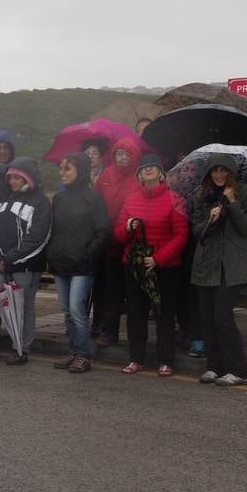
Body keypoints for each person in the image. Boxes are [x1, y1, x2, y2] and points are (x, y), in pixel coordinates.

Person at [0, 160, 51, 365]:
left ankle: (21, 349)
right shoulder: (0, 198)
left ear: (28, 178)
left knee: (23, 307)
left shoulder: (41, 202)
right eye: (10, 177)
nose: (12, 181)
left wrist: (12, 257)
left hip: (26, 265)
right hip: (0, 264)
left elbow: (39, 236)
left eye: (17, 177)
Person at [116, 153, 188, 377]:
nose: (147, 170)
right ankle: (136, 358)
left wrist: (158, 259)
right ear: (138, 175)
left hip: (165, 268)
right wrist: (127, 227)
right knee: (136, 314)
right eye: (143, 168)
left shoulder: (176, 199)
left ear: (161, 173)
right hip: (135, 267)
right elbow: (118, 235)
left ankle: (165, 360)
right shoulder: (130, 200)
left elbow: (181, 235)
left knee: (164, 314)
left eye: (152, 167)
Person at [189, 156, 247, 387]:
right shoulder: (203, 195)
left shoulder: (245, 192)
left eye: (223, 171)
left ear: (231, 173)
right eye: (215, 171)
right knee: (207, 317)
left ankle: (239, 369)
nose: (219, 175)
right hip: (207, 264)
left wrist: (233, 202)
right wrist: (211, 219)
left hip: (232, 265)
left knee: (222, 316)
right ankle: (214, 366)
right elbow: (197, 231)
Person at [47, 153, 109, 373]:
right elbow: (53, 229)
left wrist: (88, 254)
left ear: (80, 171)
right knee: (66, 311)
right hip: (61, 262)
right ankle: (73, 352)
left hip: (83, 265)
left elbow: (103, 231)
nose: (62, 172)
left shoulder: (93, 197)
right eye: (61, 168)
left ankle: (83, 355)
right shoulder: (59, 198)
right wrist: (52, 253)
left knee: (76, 309)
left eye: (68, 168)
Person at [92, 136, 144, 346]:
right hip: (107, 240)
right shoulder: (107, 173)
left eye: (127, 154)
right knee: (110, 290)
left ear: (135, 157)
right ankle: (108, 331)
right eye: (119, 154)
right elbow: (96, 201)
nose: (122, 158)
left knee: (132, 293)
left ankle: (136, 337)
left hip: (131, 241)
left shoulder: (139, 176)